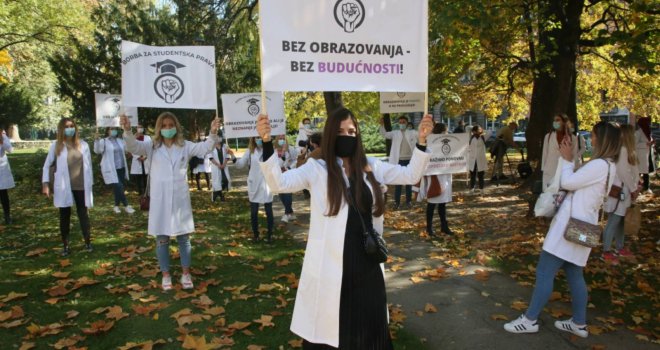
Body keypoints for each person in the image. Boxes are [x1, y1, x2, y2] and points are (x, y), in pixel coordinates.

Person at [255, 107, 432, 349]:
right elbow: (278, 183)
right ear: (330, 134)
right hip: (331, 268)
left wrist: (421, 141)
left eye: (351, 131)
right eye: (340, 131)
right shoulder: (317, 169)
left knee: (369, 333)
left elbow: (411, 175)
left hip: (367, 266)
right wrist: (267, 143)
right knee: (332, 333)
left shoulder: (371, 166)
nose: (346, 136)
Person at [504, 121, 619, 339]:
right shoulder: (608, 165)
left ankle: (529, 320)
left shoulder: (599, 165)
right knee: (574, 273)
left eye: (594, 135)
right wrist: (571, 158)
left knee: (545, 271)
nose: (590, 139)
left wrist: (566, 160)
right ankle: (579, 323)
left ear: (602, 139)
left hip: (570, 226)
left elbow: (567, 182)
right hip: (584, 226)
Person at [120, 113, 220, 291]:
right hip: (160, 199)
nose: (167, 129)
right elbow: (134, 147)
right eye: (164, 125)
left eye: (170, 125)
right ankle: (166, 275)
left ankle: (185, 273)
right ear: (159, 128)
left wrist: (213, 132)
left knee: (184, 238)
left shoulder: (185, 146)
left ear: (176, 126)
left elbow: (205, 148)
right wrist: (127, 131)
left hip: (180, 199)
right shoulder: (152, 146)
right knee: (162, 238)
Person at [42, 118, 94, 256]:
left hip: (81, 186)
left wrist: (90, 185)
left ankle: (88, 242)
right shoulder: (57, 146)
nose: (70, 128)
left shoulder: (83, 145)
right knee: (64, 216)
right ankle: (65, 245)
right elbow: (47, 165)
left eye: (72, 126)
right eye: (66, 126)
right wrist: (45, 184)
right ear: (61, 129)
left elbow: (89, 167)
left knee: (83, 214)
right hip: (64, 186)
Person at [602, 124, 640, 263]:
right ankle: (606, 250)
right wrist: (633, 187)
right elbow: (624, 172)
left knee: (619, 222)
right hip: (621, 192)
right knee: (614, 221)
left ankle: (619, 246)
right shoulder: (623, 150)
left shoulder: (622, 150)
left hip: (620, 191)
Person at [236, 137, 274, 243]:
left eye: (260, 137)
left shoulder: (270, 150)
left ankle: (270, 235)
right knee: (253, 212)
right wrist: (232, 156)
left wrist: (282, 155)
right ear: (253, 139)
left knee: (269, 211)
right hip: (254, 184)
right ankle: (256, 235)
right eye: (256, 138)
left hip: (266, 184)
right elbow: (240, 165)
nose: (259, 139)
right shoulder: (249, 152)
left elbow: (276, 164)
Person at [418, 123, 453, 237]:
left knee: (442, 204)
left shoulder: (447, 142)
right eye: (445, 131)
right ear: (442, 132)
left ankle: (444, 226)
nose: (446, 134)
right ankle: (429, 228)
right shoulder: (430, 143)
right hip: (435, 175)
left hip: (445, 173)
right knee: (432, 202)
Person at [379, 115, 418, 209]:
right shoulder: (395, 133)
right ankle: (397, 203)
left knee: (409, 182)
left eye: (403, 122)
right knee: (398, 183)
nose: (401, 124)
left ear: (407, 123)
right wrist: (381, 125)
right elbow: (384, 134)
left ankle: (408, 202)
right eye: (400, 122)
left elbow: (422, 134)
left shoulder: (412, 132)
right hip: (398, 161)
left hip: (409, 160)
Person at [94, 127, 134, 214]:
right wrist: (96, 140)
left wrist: (127, 136)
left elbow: (127, 149)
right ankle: (126, 205)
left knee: (118, 188)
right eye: (111, 129)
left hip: (121, 167)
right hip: (111, 168)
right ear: (107, 131)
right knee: (119, 186)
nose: (113, 131)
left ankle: (116, 206)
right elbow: (97, 151)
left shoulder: (120, 140)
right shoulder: (103, 141)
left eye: (114, 129)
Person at [541, 114, 578, 190]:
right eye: (554, 120)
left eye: (557, 120)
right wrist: (544, 169)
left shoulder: (573, 138)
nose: (555, 122)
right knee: (547, 196)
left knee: (561, 197)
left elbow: (575, 156)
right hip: (549, 171)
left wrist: (574, 170)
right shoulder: (548, 136)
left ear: (564, 122)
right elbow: (544, 154)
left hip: (564, 172)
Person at [275, 134, 298, 222]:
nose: (282, 140)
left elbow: (295, 160)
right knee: (281, 193)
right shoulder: (274, 150)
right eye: (280, 138)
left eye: (283, 138)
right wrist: (283, 153)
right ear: (277, 140)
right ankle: (291, 213)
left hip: (288, 173)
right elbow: (276, 163)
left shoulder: (291, 149)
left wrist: (289, 168)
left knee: (287, 193)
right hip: (278, 174)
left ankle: (286, 213)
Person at [210, 136, 235, 202]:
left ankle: (219, 194)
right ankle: (219, 195)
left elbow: (228, 155)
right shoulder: (211, 146)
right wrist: (218, 165)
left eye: (219, 137)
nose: (218, 138)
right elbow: (210, 157)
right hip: (216, 167)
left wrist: (224, 164)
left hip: (224, 166)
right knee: (217, 182)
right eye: (217, 137)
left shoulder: (225, 146)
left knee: (226, 181)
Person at [635, 116, 656, 193]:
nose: (649, 124)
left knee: (646, 171)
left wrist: (652, 143)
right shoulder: (638, 132)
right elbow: (634, 144)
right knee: (640, 172)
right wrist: (646, 144)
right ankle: (638, 188)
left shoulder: (648, 132)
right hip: (641, 156)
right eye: (647, 123)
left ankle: (646, 188)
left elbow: (649, 142)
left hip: (648, 154)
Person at [129, 124, 151, 195]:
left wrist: (145, 156)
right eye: (138, 127)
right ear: (136, 128)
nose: (140, 128)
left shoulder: (148, 138)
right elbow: (131, 148)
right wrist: (137, 157)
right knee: (138, 179)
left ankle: (146, 194)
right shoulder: (133, 138)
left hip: (146, 159)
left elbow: (150, 147)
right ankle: (140, 194)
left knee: (146, 178)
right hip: (137, 160)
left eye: (141, 127)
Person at [467, 124, 490, 193]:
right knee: (472, 175)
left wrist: (482, 130)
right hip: (472, 159)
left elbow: (490, 132)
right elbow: (467, 128)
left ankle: (481, 189)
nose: (478, 132)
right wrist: (473, 130)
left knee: (481, 175)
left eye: (479, 130)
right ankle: (472, 189)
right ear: (473, 131)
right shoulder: (470, 137)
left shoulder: (483, 137)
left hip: (481, 158)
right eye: (476, 131)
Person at [0, 129, 15, 224]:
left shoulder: (2, 137)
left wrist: (3, 139)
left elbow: (10, 150)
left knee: (3, 194)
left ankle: (7, 216)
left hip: (1, 169)